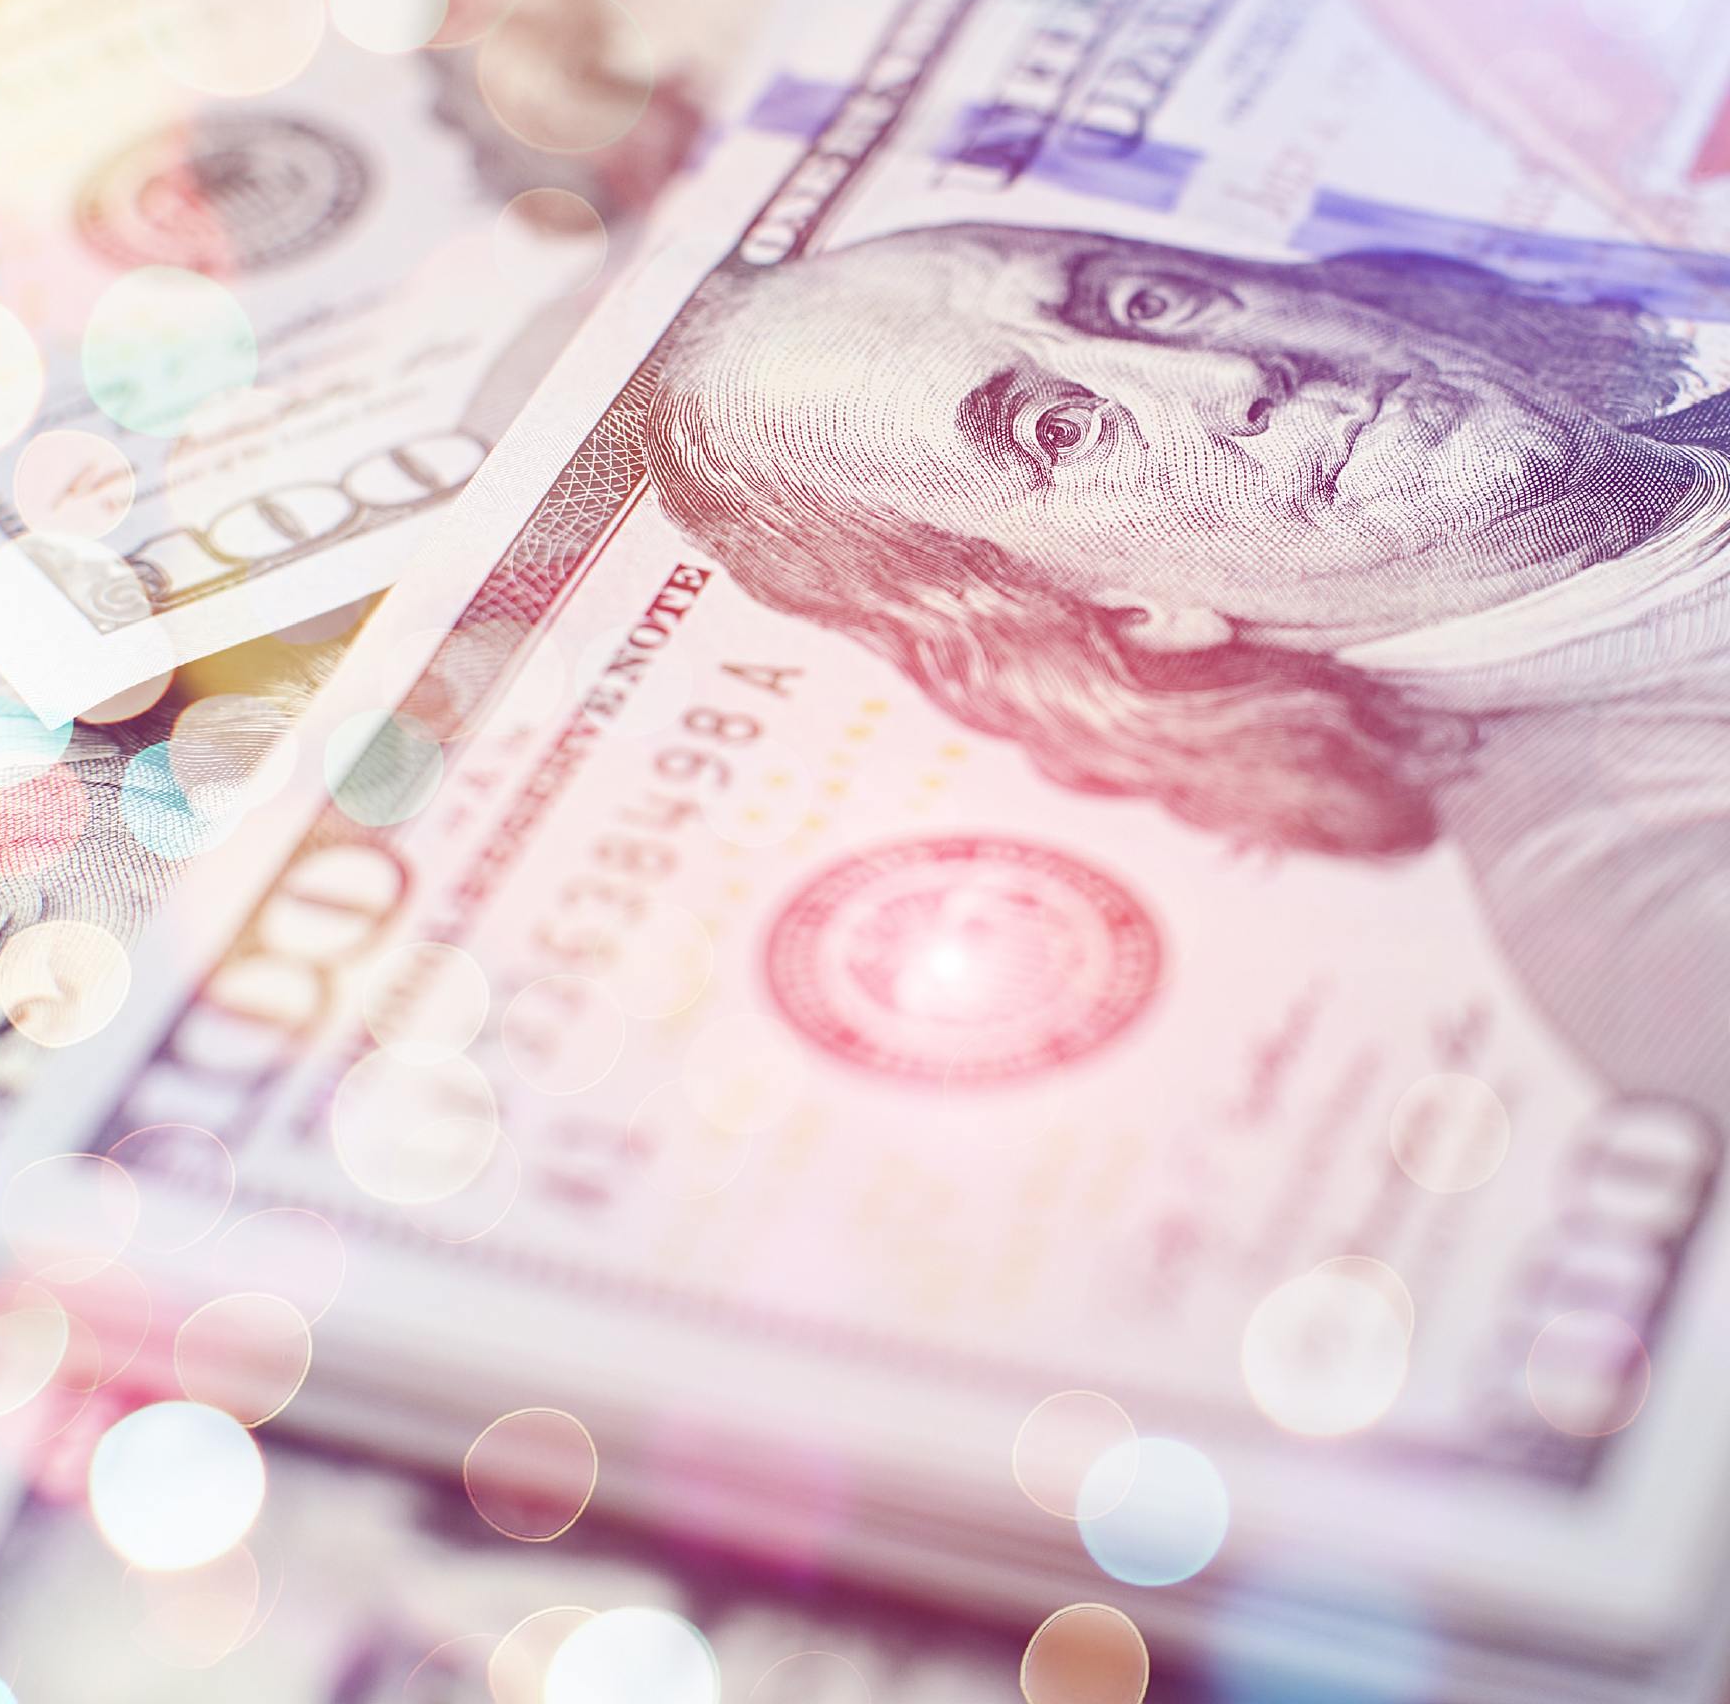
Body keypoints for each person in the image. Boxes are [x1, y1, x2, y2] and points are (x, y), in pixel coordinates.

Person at [643, 222, 1730, 1105]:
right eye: (1060, 432)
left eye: (1140, 304)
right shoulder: (1645, 897)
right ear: (1119, 612)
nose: (1230, 375)